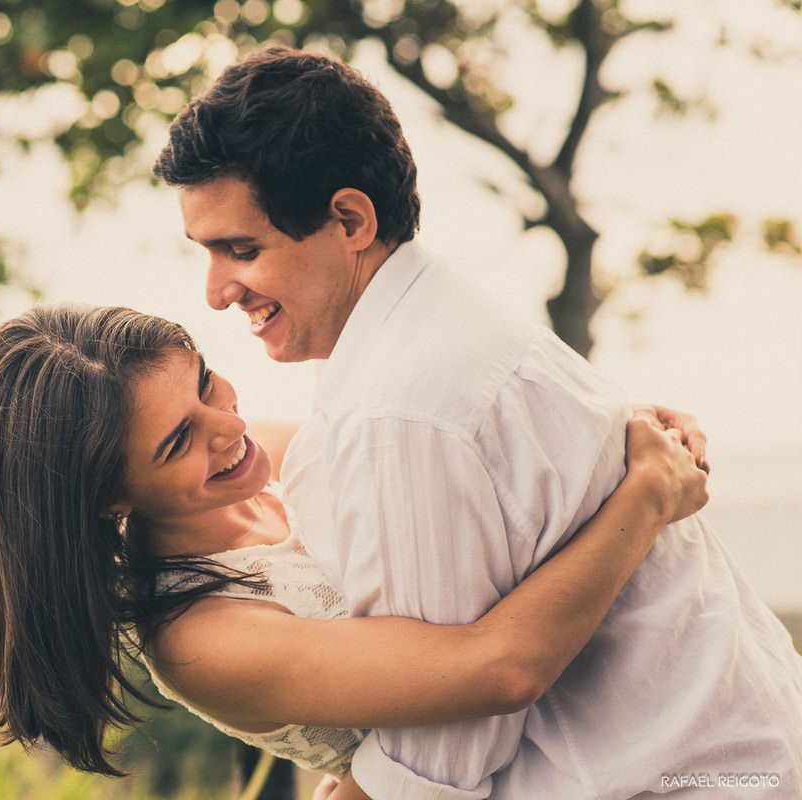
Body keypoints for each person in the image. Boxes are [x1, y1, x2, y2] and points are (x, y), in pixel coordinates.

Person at [152, 44, 802, 798]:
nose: (216, 292)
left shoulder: (401, 407)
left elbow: (453, 746)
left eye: (241, 249)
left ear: (350, 219)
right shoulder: (433, 332)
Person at [0, 303, 708, 786]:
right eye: (179, 440)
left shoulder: (269, 456)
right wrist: (645, 497)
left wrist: (620, 430)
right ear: (110, 500)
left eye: (205, 383)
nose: (227, 426)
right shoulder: (199, 638)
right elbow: (501, 669)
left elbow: (463, 457)